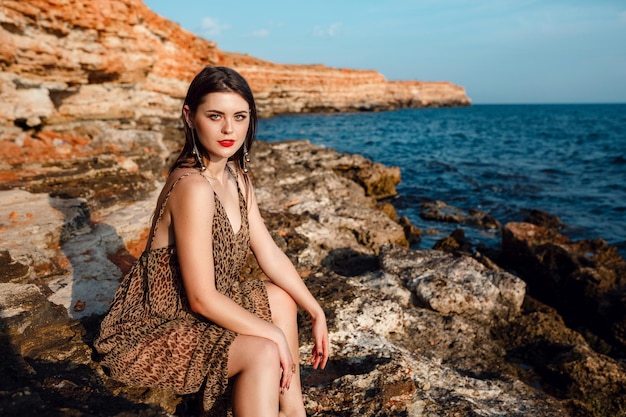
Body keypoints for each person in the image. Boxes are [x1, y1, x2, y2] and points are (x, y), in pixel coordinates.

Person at [94, 66, 329, 417]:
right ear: (189, 116)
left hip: (202, 307)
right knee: (264, 350)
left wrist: (314, 309)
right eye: (215, 115)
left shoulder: (237, 176)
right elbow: (202, 298)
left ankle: (294, 412)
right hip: (160, 324)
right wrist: (275, 335)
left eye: (239, 116)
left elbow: (269, 252)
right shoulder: (193, 187)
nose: (228, 129)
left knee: (282, 298)